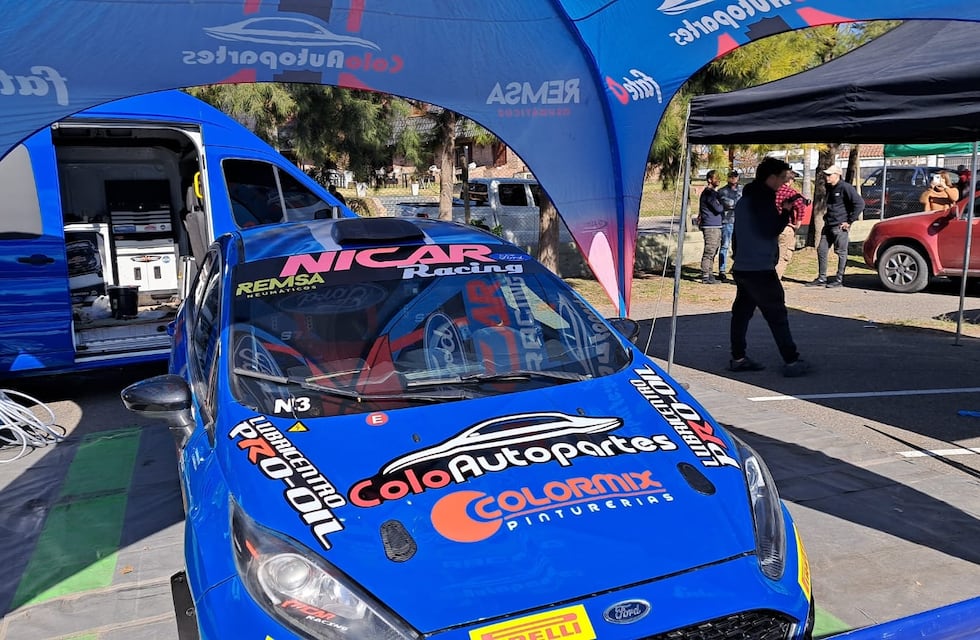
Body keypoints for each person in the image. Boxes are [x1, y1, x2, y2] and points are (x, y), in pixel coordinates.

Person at [729, 157, 809, 377]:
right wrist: (785, 211)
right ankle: (791, 360)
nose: (784, 183)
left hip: (744, 266)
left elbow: (738, 234)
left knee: (742, 313)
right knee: (777, 313)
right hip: (759, 268)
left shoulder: (745, 200)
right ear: (771, 177)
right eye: (782, 178)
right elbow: (770, 229)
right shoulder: (762, 199)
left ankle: (738, 357)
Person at [806, 164, 864, 288]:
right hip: (828, 225)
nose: (827, 177)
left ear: (837, 175)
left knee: (841, 252)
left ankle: (839, 279)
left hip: (840, 226)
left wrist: (849, 221)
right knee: (821, 250)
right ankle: (822, 278)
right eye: (826, 174)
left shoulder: (845, 187)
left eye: (829, 174)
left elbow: (860, 204)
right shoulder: (829, 187)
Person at [774, 171, 809, 280]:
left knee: (771, 255)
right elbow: (801, 206)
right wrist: (798, 223)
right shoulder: (791, 193)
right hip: (785, 227)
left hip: (769, 227)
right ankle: (774, 280)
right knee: (783, 256)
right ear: (789, 180)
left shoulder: (771, 192)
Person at [697, 169, 725, 284]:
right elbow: (718, 208)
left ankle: (710, 275)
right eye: (715, 178)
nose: (718, 180)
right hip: (710, 226)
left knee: (714, 250)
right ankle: (705, 275)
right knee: (709, 251)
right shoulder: (708, 193)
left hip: (717, 225)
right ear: (709, 180)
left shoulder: (714, 193)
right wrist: (722, 204)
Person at [717, 169, 742, 281]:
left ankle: (736, 267)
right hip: (727, 222)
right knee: (725, 246)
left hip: (740, 222)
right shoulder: (722, 191)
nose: (734, 178)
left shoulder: (742, 189)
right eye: (731, 176)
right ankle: (722, 270)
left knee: (739, 246)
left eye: (735, 176)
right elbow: (722, 205)